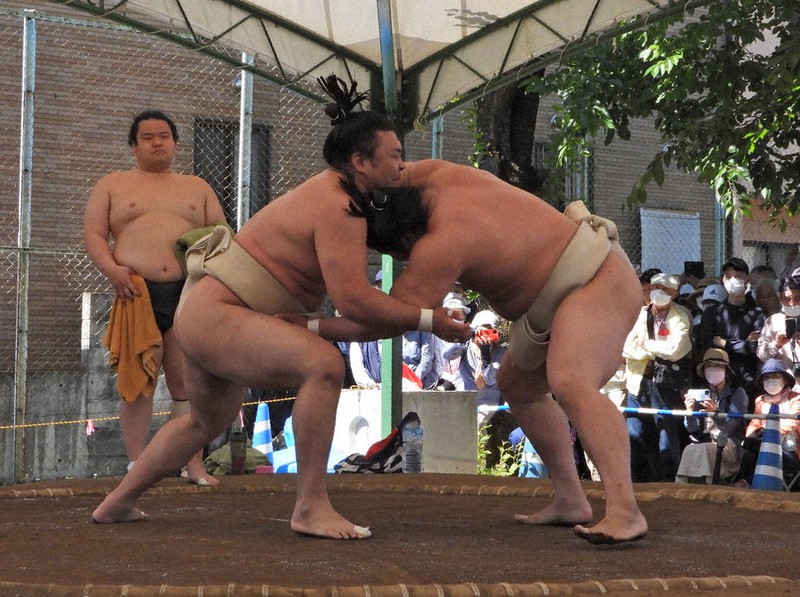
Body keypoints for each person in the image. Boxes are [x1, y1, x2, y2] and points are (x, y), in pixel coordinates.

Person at [90, 76, 471, 539]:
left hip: (208, 310)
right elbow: (354, 300)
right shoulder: (340, 204)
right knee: (322, 365)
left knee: (204, 421)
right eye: (393, 154)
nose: (401, 164)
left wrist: (319, 323)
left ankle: (117, 502)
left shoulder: (334, 193)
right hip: (222, 312)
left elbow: (358, 317)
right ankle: (310, 505)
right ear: (359, 161)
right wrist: (428, 319)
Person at [321, 163, 649, 544]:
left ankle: (626, 512)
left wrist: (314, 326)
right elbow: (388, 168)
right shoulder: (440, 174)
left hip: (596, 278)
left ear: (409, 238)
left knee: (571, 381)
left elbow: (387, 321)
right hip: (555, 296)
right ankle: (571, 500)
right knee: (518, 385)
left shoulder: (441, 245)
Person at [83, 109, 225, 487]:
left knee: (187, 383)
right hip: (136, 291)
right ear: (133, 145)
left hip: (188, 292)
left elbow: (221, 237)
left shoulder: (198, 187)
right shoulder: (112, 185)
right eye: (147, 137)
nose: (157, 142)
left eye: (164, 135)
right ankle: (137, 465)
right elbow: (95, 234)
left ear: (176, 143)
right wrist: (113, 271)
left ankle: (193, 465)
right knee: (138, 382)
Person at [622, 273, 694, 482]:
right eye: (654, 287)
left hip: (665, 384)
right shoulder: (638, 314)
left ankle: (669, 480)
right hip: (637, 381)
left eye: (664, 288)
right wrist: (654, 351)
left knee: (666, 431)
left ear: (674, 293)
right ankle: (638, 480)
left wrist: (644, 345)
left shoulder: (681, 316)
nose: (657, 292)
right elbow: (626, 346)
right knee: (634, 430)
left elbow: (675, 349)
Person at [696, 257, 765, 407]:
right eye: (728, 276)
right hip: (716, 380)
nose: (733, 280)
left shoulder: (757, 313)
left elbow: (755, 348)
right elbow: (707, 344)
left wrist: (724, 343)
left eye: (738, 276)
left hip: (746, 379)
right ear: (722, 280)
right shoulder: (712, 313)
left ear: (747, 279)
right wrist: (742, 343)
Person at [675, 348, 748, 484]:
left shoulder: (738, 393)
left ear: (726, 370)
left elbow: (730, 428)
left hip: (729, 445)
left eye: (718, 366)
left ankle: (709, 487)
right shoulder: (700, 393)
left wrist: (716, 413)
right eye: (709, 366)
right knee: (689, 448)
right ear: (703, 370)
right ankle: (680, 486)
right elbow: (692, 429)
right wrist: (690, 412)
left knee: (705, 449)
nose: (713, 369)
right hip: (703, 441)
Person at [733, 359, 800, 488]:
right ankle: (744, 482)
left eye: (775, 376)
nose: (771, 380)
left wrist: (765, 434)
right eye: (767, 377)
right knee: (749, 454)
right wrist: (751, 436)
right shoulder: (760, 400)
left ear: (785, 379)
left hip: (791, 450)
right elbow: (754, 422)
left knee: (760, 449)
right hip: (761, 446)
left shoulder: (796, 398)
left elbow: (791, 423)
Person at [466, 309, 508, 430]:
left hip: (487, 401)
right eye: (482, 331)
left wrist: (486, 356)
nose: (485, 335)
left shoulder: (500, 353)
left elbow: (490, 380)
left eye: (489, 331)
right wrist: (466, 335)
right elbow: (447, 355)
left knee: (475, 427)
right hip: (465, 397)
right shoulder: (466, 348)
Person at [757, 276, 800, 379]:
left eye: (797, 299)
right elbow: (762, 355)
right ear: (780, 299)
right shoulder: (772, 322)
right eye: (786, 299)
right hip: (783, 383)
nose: (792, 303)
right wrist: (776, 344)